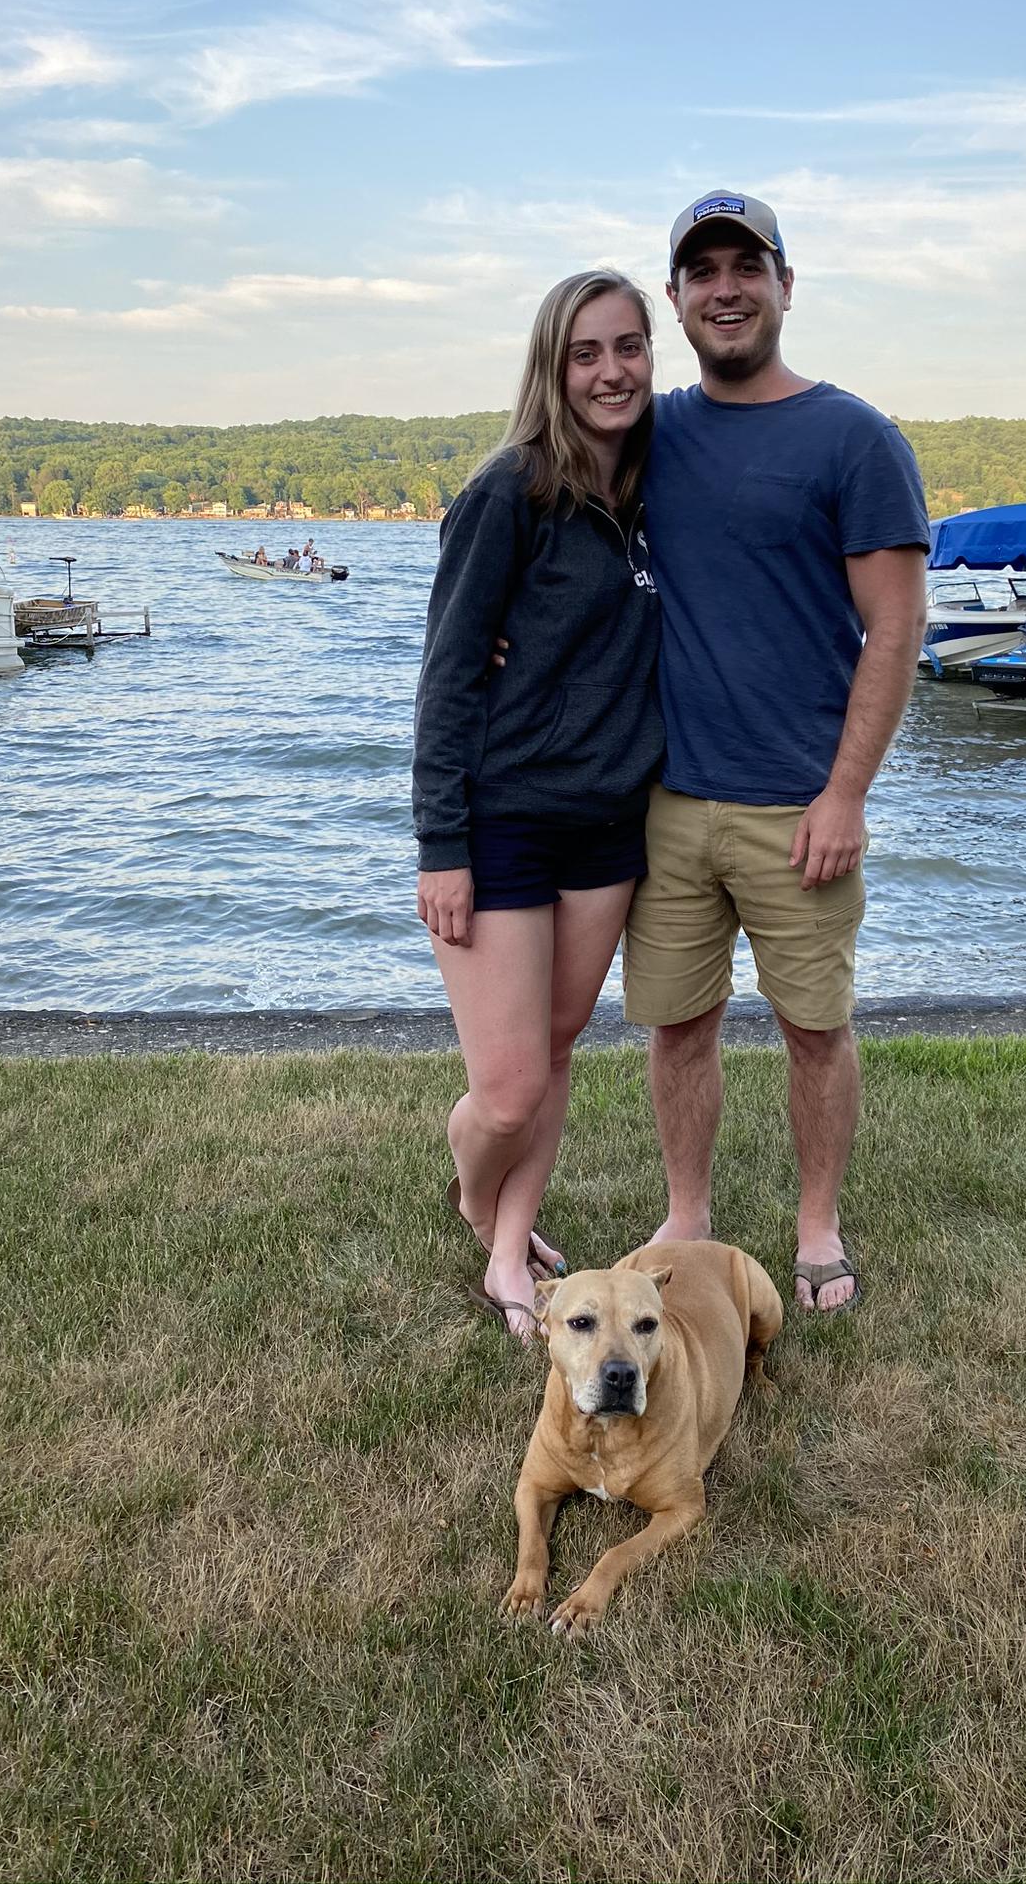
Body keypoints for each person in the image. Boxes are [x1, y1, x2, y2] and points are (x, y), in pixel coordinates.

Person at [623, 191, 929, 1315]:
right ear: (677, 301)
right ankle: (689, 1213)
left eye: (746, 266)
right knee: (678, 1023)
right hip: (668, 800)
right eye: (701, 272)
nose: (725, 288)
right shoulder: (651, 430)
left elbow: (895, 629)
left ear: (786, 285)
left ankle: (817, 1222)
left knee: (814, 1026)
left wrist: (847, 792)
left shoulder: (854, 438)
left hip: (802, 802)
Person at [413, 269, 664, 1343]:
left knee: (558, 1048)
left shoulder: (658, 493)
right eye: (586, 351)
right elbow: (448, 672)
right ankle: (479, 1194)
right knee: (507, 1088)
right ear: (552, 365)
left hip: (610, 826)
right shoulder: (506, 491)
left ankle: (511, 1253)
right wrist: (441, 843)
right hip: (504, 816)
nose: (611, 370)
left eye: (629, 346)